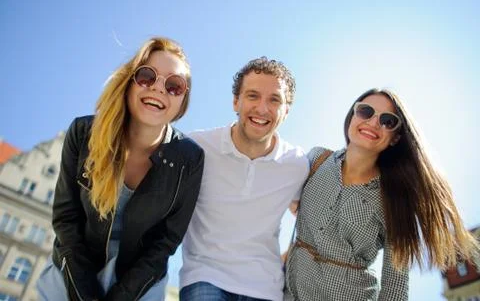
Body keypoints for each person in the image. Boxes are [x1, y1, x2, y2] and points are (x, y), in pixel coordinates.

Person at [36, 37, 204, 301]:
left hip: (141, 281)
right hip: (74, 269)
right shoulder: (83, 134)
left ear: (183, 102)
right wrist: (85, 295)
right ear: (129, 83)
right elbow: (66, 221)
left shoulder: (190, 159)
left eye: (174, 85)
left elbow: (164, 244)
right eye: (147, 76)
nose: (159, 88)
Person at [284, 88, 480, 300]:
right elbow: (273, 190)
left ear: (395, 138)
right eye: (366, 111)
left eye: (388, 120)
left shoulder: (396, 202)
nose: (374, 122)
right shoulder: (317, 159)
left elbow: (395, 286)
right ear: (352, 116)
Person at [179, 57, 309, 301]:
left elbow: (312, 220)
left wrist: (292, 255)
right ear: (235, 101)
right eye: (252, 96)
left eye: (274, 100)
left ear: (286, 111)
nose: (262, 108)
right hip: (204, 275)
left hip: (265, 287)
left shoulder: (296, 164)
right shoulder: (197, 148)